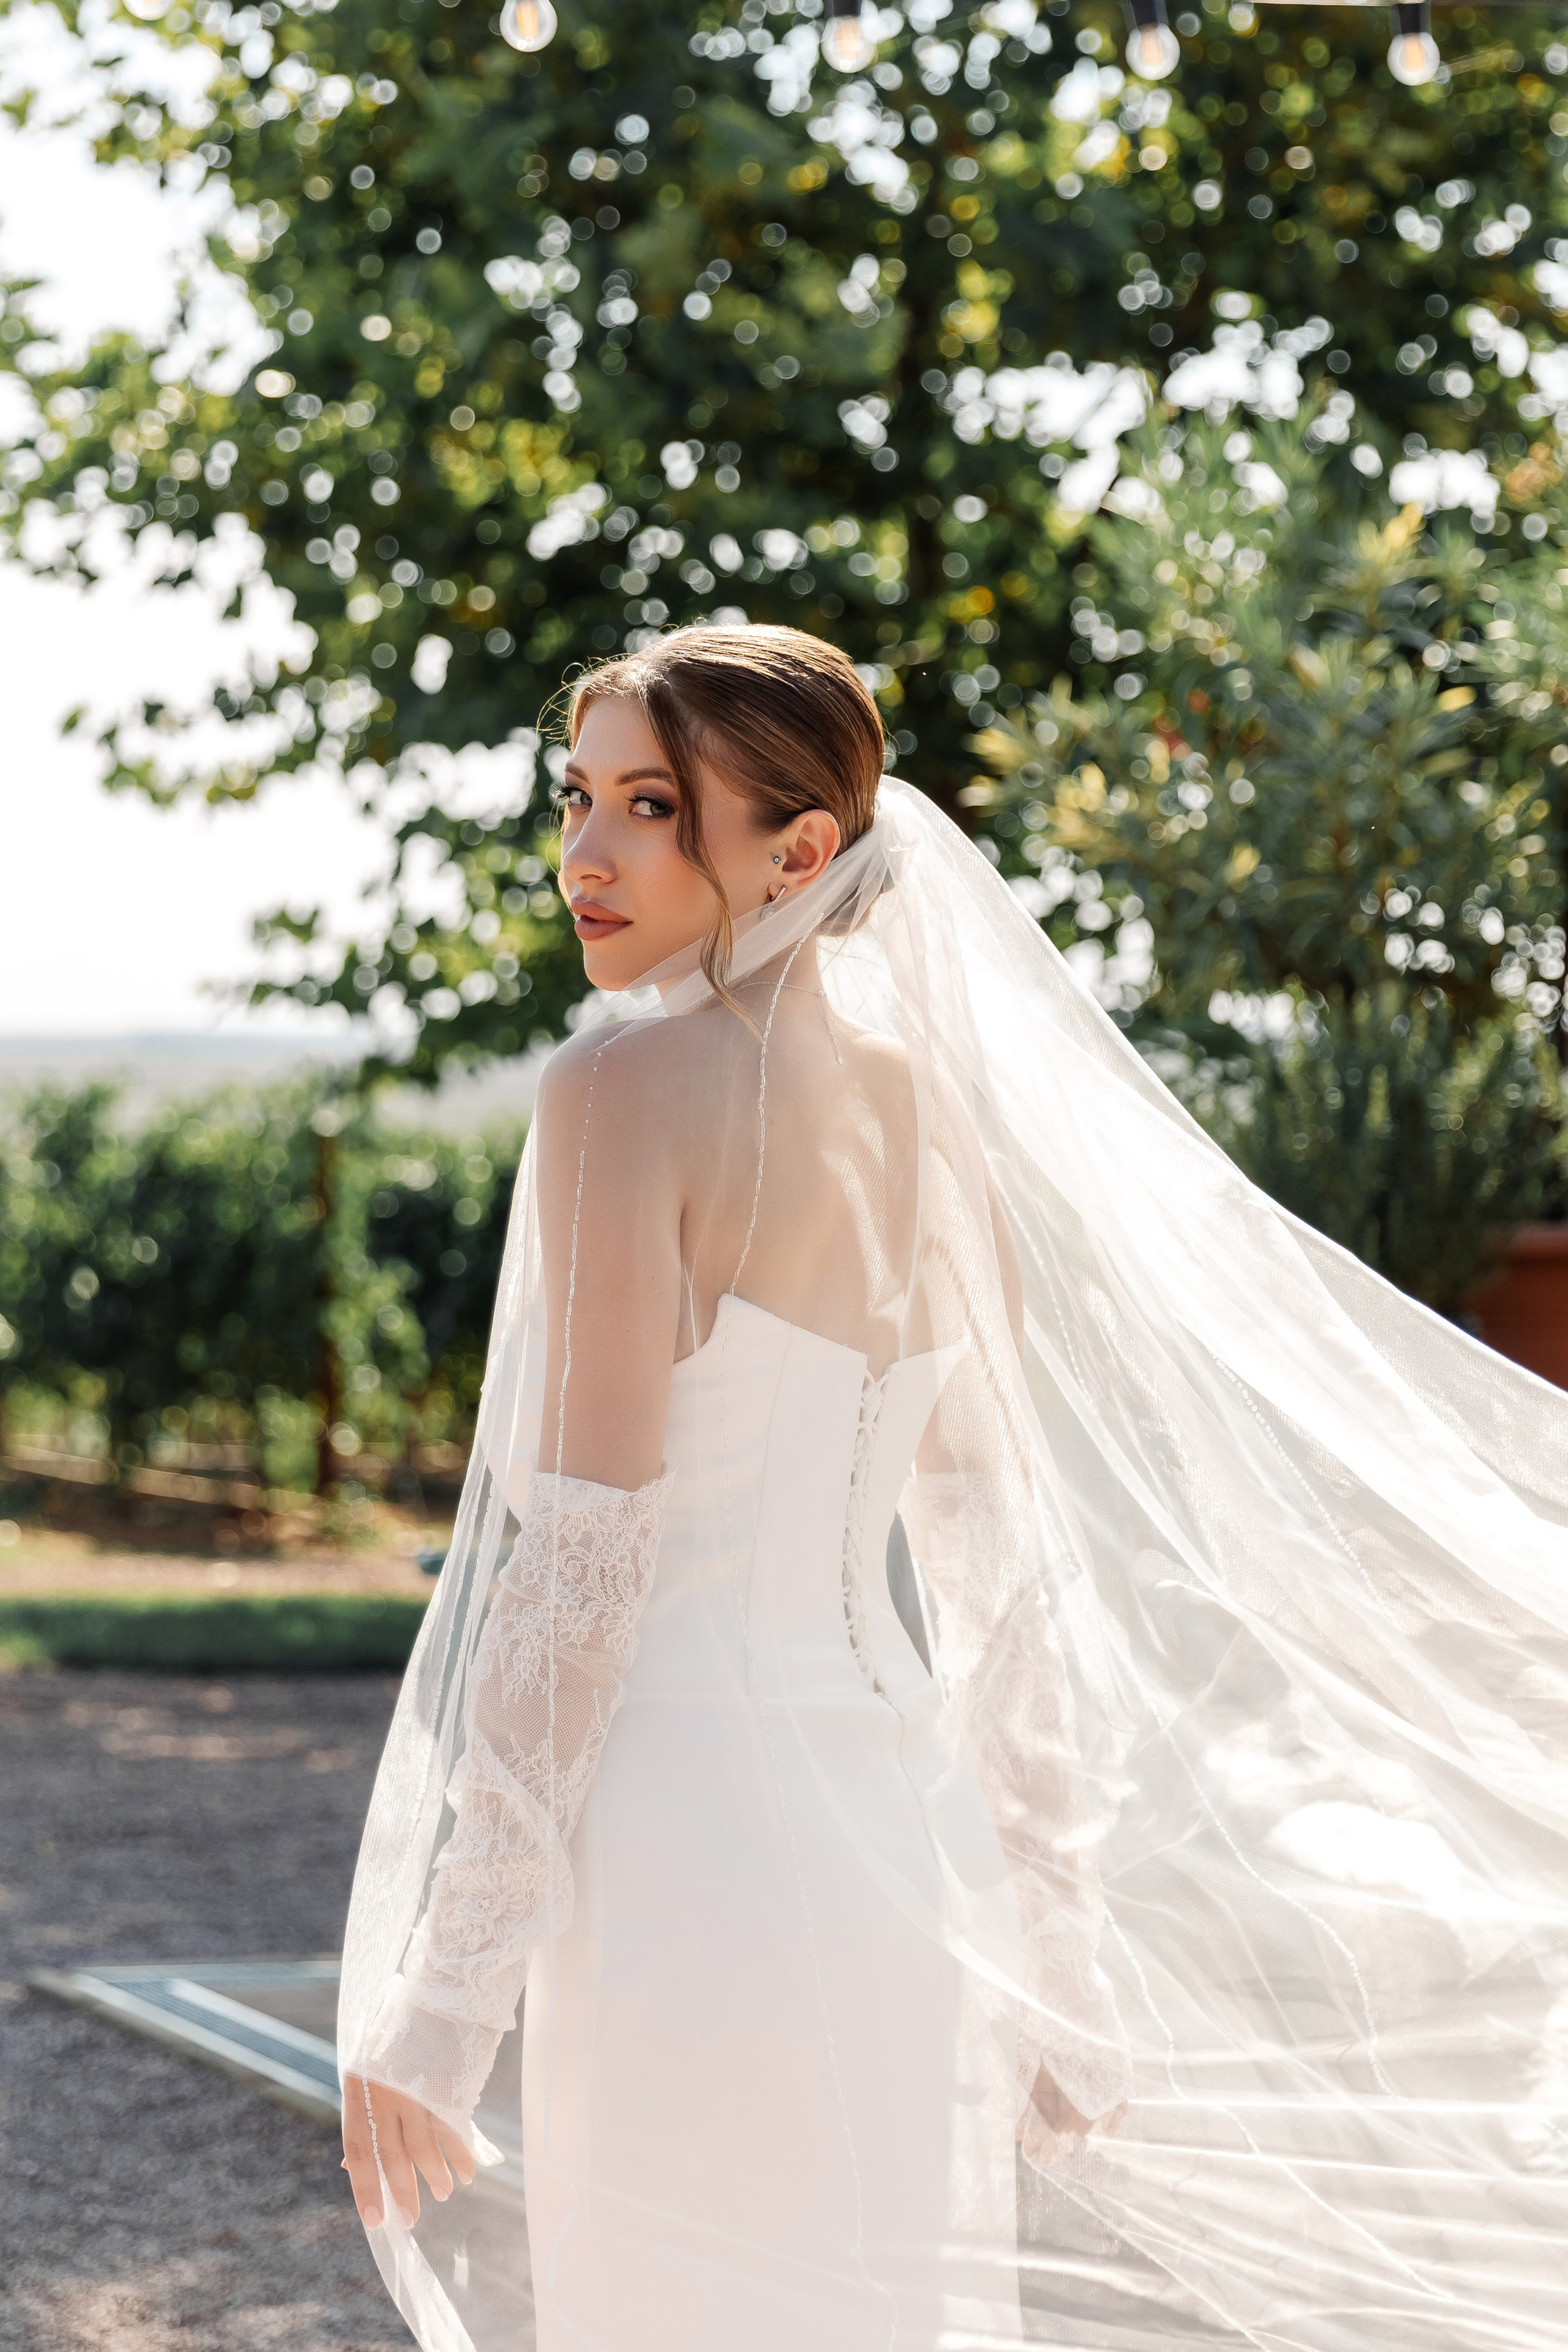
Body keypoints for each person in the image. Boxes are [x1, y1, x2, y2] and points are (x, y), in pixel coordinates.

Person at [339, 626, 1568, 2352]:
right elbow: (988, 1562)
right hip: (906, 1848)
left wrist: (445, 2001)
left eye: (652, 808)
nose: (587, 855)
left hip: (685, 1846)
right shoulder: (927, 1113)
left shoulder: (618, 1090)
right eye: (577, 800)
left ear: (801, 852)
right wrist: (1054, 1945)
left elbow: (584, 1573)